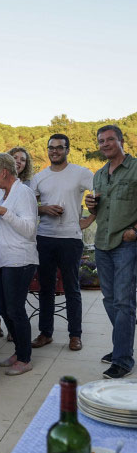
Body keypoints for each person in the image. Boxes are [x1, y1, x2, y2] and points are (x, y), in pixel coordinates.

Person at [30, 134, 93, 353]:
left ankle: (75, 335)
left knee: (72, 288)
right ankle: (46, 333)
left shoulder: (81, 173)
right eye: (51, 147)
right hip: (45, 237)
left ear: (67, 149)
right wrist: (43, 209)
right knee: (46, 288)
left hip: (70, 239)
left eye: (59, 147)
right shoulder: (39, 177)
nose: (54, 151)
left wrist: (90, 219)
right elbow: (27, 205)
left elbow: (100, 195)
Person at [86, 125, 137, 379]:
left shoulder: (136, 169)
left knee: (123, 302)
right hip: (102, 244)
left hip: (126, 243)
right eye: (100, 141)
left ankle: (123, 359)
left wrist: (135, 231)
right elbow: (97, 210)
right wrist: (90, 205)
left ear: (121, 140)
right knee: (109, 300)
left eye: (109, 140)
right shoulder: (99, 175)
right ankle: (122, 344)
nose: (104, 144)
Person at [0, 152, 38, 376]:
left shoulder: (24, 193)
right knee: (5, 308)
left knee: (16, 310)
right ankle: (18, 350)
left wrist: (4, 212)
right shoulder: (0, 192)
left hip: (18, 260)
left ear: (4, 172)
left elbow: (29, 229)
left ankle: (25, 358)